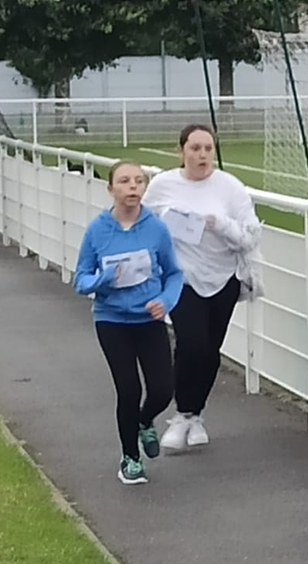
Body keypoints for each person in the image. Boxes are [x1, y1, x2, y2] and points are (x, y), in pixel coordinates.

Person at [141, 123, 263, 451]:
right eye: (195, 148)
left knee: (210, 351)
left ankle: (196, 415)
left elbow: (251, 236)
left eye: (208, 148)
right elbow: (143, 224)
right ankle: (182, 414)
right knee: (191, 344)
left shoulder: (230, 188)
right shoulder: (163, 185)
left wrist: (219, 224)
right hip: (181, 278)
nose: (202, 155)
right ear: (181, 151)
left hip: (223, 278)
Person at [74, 161, 185, 485]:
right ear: (111, 189)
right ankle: (130, 458)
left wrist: (165, 301)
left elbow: (174, 274)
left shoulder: (156, 229)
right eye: (124, 181)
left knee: (163, 389)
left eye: (138, 181)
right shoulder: (97, 230)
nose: (133, 186)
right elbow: (80, 279)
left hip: (148, 319)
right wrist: (103, 279)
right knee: (129, 388)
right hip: (112, 320)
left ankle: (144, 421)